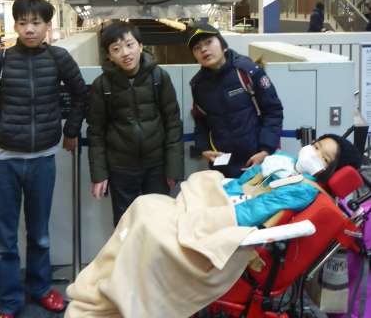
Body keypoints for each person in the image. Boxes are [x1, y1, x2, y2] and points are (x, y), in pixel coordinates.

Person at [65, 135, 361, 318]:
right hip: (228, 198)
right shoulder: (287, 164)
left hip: (232, 222)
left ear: (329, 170)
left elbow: (253, 211)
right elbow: (247, 183)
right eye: (316, 145)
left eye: (323, 156)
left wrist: (209, 214)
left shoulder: (304, 189)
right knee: (145, 206)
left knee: (149, 225)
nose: (312, 152)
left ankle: (126, 295)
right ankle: (117, 282)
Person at [0, 0, 88, 318]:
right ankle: (9, 302)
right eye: (22, 23)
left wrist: (71, 130)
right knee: (5, 239)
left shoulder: (59, 58)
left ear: (48, 25)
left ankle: (41, 288)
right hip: (3, 161)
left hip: (42, 160)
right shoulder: (2, 60)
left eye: (36, 23)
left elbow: (81, 94)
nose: (29, 29)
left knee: (40, 234)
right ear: (16, 26)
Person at [87, 21, 184, 225]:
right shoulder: (102, 85)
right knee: (126, 224)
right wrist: (99, 174)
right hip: (121, 168)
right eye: (116, 49)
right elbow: (96, 132)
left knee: (160, 223)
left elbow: (173, 123)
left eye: (129, 45)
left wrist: (173, 168)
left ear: (140, 46)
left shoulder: (159, 77)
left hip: (156, 165)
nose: (125, 53)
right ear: (109, 55)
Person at [187, 23, 283, 178]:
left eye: (209, 42)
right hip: (223, 166)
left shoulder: (247, 71)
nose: (203, 49)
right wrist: (204, 148)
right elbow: (200, 121)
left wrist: (266, 150)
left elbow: (273, 111)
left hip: (258, 161)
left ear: (223, 45)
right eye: (197, 48)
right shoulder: (198, 85)